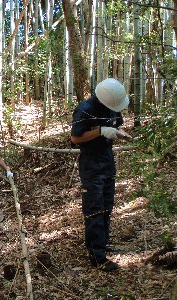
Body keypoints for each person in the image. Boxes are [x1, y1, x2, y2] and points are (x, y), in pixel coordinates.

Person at [70, 78, 132, 272]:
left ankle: (101, 244)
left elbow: (117, 124)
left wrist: (118, 132)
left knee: (107, 206)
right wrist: (100, 131)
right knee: (95, 208)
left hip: (107, 159)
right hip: (91, 163)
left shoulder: (112, 105)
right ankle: (97, 256)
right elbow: (75, 137)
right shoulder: (85, 109)